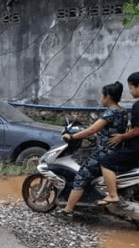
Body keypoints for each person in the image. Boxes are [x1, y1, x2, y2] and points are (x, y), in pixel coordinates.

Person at [54, 82, 128, 219]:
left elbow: (91, 130)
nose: (100, 98)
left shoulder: (110, 113)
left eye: (102, 96)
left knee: (81, 176)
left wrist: (72, 136)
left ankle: (68, 210)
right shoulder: (123, 111)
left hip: (104, 153)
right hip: (117, 151)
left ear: (108, 97)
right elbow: (110, 130)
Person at [99, 65, 139, 205]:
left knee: (106, 162)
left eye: (131, 88)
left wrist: (121, 137)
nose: (130, 91)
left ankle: (112, 195)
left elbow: (138, 130)